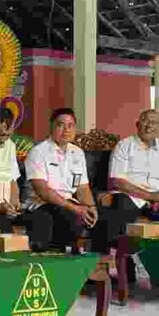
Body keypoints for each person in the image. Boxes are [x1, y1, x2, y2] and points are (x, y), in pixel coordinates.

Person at [22, 108, 124, 253]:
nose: (66, 130)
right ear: (52, 126)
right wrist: (76, 209)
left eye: (70, 125)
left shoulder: (77, 152)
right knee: (70, 216)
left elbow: (82, 188)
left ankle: (96, 263)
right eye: (61, 125)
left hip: (69, 203)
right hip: (42, 204)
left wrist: (91, 208)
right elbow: (43, 191)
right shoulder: (38, 152)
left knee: (108, 218)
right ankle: (66, 258)